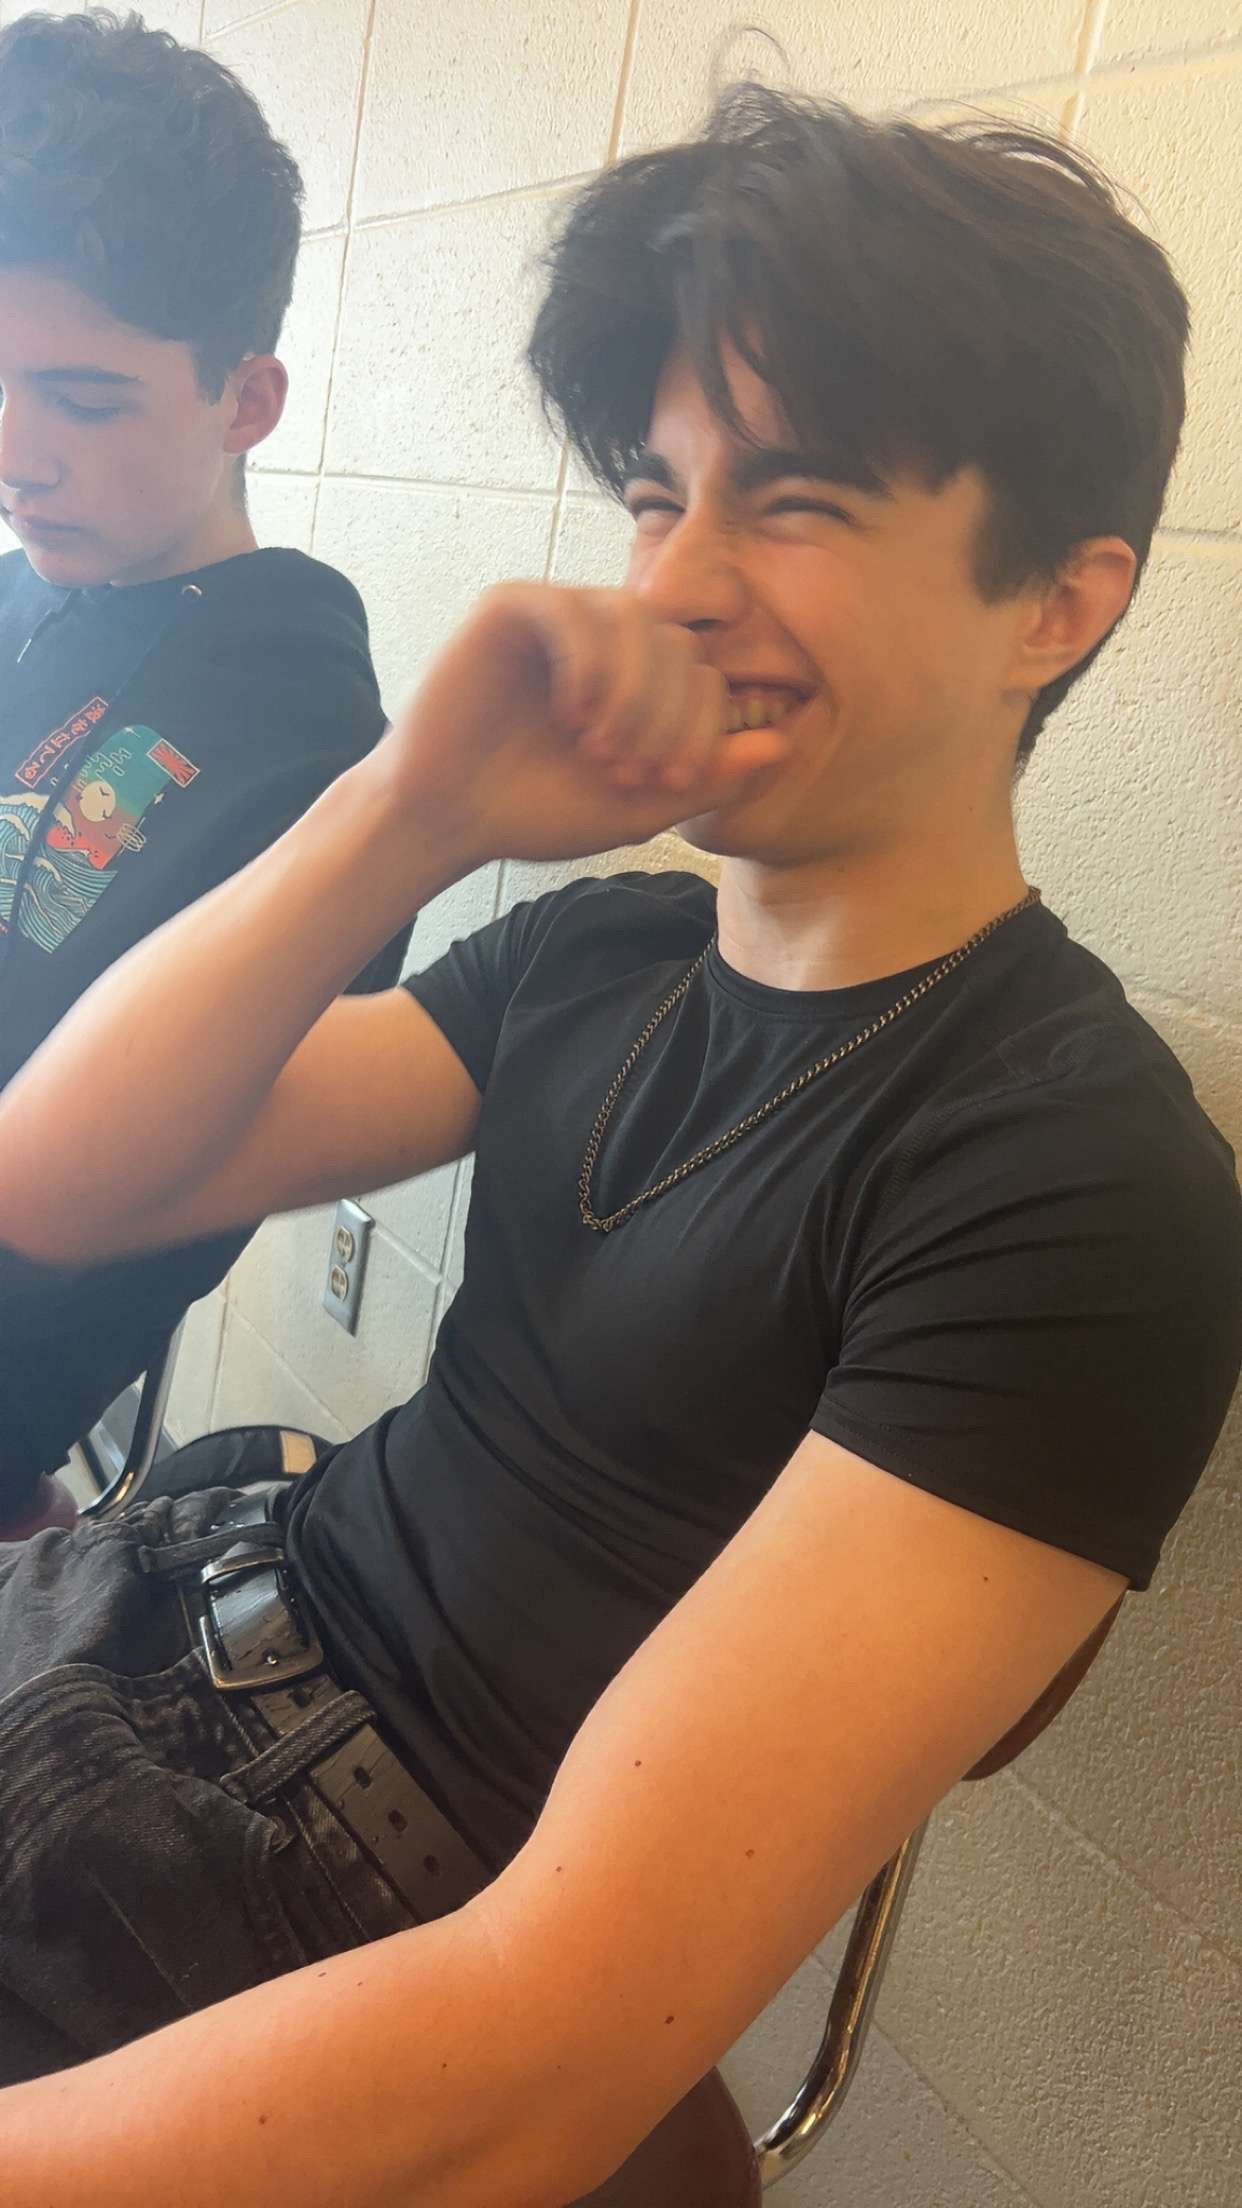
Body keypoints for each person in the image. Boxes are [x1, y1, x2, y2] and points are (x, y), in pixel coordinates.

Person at [1, 86, 1239, 2208]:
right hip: (139, 1630)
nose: (673, 586)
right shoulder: (605, 947)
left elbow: (549, 2054)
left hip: (332, 1894)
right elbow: (56, 1183)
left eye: (797, 502)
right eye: (658, 496)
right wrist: (408, 809)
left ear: (1058, 600)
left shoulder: (1068, 1179)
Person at [0, 8, 398, 1538]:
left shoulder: (292, 731)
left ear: (246, 401)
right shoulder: (36, 592)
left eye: (86, 399)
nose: (19, 453)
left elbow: (118, 1236)